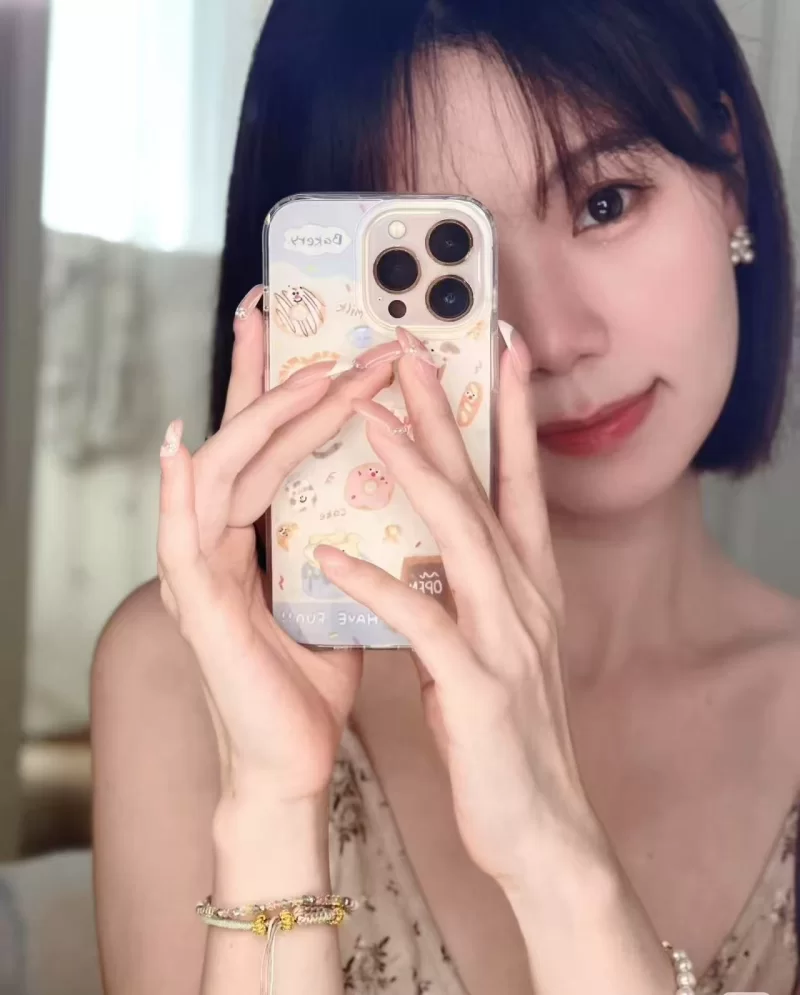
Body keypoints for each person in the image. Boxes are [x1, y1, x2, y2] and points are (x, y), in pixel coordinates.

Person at [91, 0, 800, 993]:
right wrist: (273, 803)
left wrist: (551, 847)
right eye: (452, 268)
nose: (553, 339)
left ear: (727, 177)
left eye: (606, 202)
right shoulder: (192, 672)